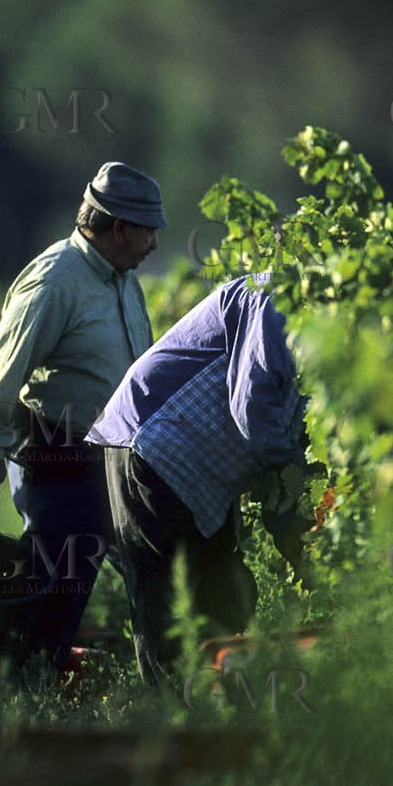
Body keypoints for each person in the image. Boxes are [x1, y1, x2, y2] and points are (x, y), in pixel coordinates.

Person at [0, 161, 166, 670]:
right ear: (118, 228)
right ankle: (22, 690)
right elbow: (5, 367)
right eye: (148, 231)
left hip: (110, 458)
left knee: (113, 580)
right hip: (55, 457)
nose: (154, 244)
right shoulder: (55, 280)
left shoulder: (123, 282)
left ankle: (56, 681)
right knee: (53, 587)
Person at [86, 273, 308, 687]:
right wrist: (298, 484)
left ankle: (217, 704)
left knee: (226, 596)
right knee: (165, 601)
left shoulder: (324, 335)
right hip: (151, 445)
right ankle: (174, 712)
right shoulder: (271, 297)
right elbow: (253, 409)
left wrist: (296, 520)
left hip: (200, 476)